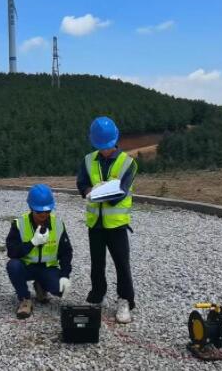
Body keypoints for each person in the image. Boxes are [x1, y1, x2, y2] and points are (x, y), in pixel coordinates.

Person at [76, 116, 138, 324]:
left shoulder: (128, 163)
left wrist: (102, 192)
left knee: (122, 263)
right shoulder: (87, 160)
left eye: (108, 146)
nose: (105, 150)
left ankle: (125, 300)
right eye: (101, 147)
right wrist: (88, 191)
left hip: (117, 224)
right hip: (95, 224)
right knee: (97, 262)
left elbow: (121, 191)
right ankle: (97, 295)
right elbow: (82, 184)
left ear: (115, 141)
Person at [5, 184, 73, 319]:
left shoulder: (58, 224)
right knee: (13, 265)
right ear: (31, 208)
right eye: (39, 212)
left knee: (60, 289)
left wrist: (65, 275)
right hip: (27, 267)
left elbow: (66, 252)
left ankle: (41, 286)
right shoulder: (19, 224)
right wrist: (32, 243)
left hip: (48, 268)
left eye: (47, 211)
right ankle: (25, 299)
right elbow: (12, 252)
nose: (44, 215)